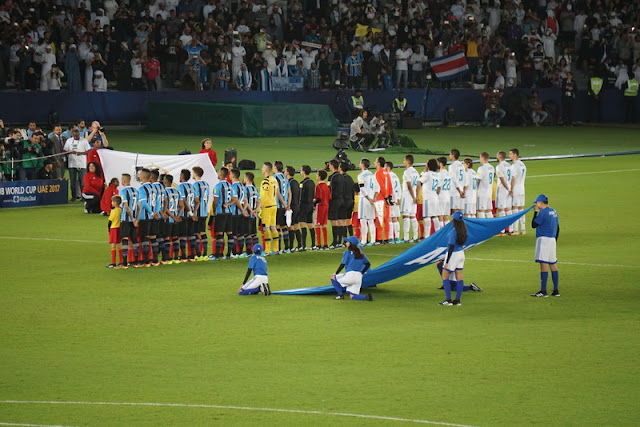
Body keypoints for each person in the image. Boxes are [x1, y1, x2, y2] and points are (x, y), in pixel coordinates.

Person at [530, 194, 560, 297]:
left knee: (543, 264)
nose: (536, 205)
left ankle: (543, 291)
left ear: (541, 203)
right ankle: (556, 290)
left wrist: (535, 212)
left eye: (537, 203)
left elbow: (533, 225)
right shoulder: (554, 211)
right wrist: (554, 240)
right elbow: (558, 227)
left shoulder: (542, 212)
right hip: (552, 239)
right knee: (553, 264)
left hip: (543, 239)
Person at [439, 211, 468, 306]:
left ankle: (448, 300)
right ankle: (457, 300)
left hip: (453, 255)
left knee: (445, 276)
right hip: (461, 254)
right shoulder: (463, 230)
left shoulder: (453, 232)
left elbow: (451, 247)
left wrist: (447, 261)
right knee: (459, 276)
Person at [330, 236, 373, 301]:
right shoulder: (361, 253)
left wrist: (336, 273)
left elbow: (343, 264)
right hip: (358, 277)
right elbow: (368, 264)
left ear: (351, 243)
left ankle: (340, 295)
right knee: (353, 296)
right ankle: (366, 298)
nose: (346, 243)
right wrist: (362, 272)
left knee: (333, 277)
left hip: (350, 275)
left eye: (347, 242)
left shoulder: (347, 252)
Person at [211, 168, 234, 260]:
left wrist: (213, 211)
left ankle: (217, 255)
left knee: (219, 233)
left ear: (220, 174)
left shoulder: (217, 186)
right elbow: (234, 199)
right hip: (229, 212)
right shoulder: (229, 185)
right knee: (229, 233)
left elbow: (215, 201)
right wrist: (228, 204)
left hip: (220, 213)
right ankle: (229, 254)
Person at [63, 128, 91, 201]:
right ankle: (74, 196)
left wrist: (81, 153)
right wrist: (70, 152)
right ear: (72, 134)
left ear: (79, 133)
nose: (75, 135)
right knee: (72, 181)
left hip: (82, 164)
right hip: (72, 164)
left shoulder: (84, 141)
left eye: (76, 134)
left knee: (82, 181)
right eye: (74, 134)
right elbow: (65, 151)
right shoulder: (69, 141)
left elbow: (89, 151)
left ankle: (83, 196)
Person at [357, 158, 379, 246]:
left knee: (363, 220)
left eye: (360, 163)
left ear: (362, 165)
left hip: (364, 199)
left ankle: (364, 240)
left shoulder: (361, 175)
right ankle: (373, 240)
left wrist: (368, 197)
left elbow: (362, 188)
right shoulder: (372, 175)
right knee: (371, 220)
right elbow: (378, 188)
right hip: (371, 200)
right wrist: (374, 198)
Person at [118, 173, 138, 268]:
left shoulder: (123, 192)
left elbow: (126, 206)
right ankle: (136, 262)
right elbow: (139, 206)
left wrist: (132, 218)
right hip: (134, 220)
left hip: (126, 219)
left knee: (125, 239)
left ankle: (125, 263)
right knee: (134, 240)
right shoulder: (135, 190)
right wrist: (136, 219)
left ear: (124, 181)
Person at [259, 162, 279, 255]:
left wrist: (259, 207)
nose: (262, 169)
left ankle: (267, 250)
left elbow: (263, 196)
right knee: (273, 227)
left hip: (267, 206)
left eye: (263, 167)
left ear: (266, 169)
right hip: (274, 205)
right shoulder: (274, 179)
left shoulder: (265, 181)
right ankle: (276, 249)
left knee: (266, 228)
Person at [191, 166, 210, 260]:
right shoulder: (206, 184)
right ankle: (205, 253)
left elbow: (196, 200)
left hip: (198, 212)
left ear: (195, 174)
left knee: (196, 232)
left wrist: (193, 212)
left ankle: (198, 254)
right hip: (204, 212)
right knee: (202, 232)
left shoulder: (195, 185)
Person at [177, 169, 196, 262]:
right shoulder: (192, 187)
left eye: (180, 175)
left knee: (183, 235)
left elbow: (183, 201)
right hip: (191, 214)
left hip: (185, 214)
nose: (179, 177)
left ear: (182, 176)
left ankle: (183, 256)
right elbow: (197, 201)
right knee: (191, 234)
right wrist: (194, 213)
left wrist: (190, 212)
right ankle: (192, 256)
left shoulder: (180, 187)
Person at [419, 158, 441, 235]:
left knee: (427, 217)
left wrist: (423, 172)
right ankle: (438, 234)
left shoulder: (427, 174)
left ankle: (427, 236)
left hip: (428, 198)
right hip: (435, 197)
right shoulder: (438, 175)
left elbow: (419, 181)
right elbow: (439, 188)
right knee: (435, 217)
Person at [401, 154, 420, 242]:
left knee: (406, 216)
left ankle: (406, 237)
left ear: (408, 161)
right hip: (414, 195)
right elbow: (419, 184)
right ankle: (415, 236)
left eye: (404, 160)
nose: (403, 162)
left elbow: (409, 186)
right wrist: (416, 196)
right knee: (413, 216)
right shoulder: (415, 171)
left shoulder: (407, 172)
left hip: (408, 195)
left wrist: (413, 197)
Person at [273, 161, 291, 254]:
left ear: (275, 167)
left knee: (276, 227)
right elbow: (289, 192)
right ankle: (287, 248)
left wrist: (283, 204)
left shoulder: (274, 178)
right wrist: (288, 204)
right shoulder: (285, 177)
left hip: (278, 205)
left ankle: (278, 249)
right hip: (285, 206)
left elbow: (277, 192)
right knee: (283, 226)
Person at [241, 172, 261, 256]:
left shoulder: (245, 189)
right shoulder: (254, 189)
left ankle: (248, 252)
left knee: (247, 233)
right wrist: (256, 209)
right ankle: (257, 251)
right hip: (254, 215)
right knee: (253, 234)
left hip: (248, 214)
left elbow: (246, 201)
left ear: (247, 179)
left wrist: (251, 210)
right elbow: (259, 201)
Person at [509, 148, 527, 235]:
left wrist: (511, 189)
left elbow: (513, 178)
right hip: (522, 189)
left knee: (515, 209)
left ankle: (515, 230)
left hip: (516, 188)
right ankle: (523, 229)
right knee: (521, 209)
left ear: (515, 155)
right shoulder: (523, 165)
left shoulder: (514, 166)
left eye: (510, 154)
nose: (509, 156)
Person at [298, 165, 317, 250]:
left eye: (301, 170)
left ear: (304, 172)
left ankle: (304, 245)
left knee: (303, 224)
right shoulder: (312, 182)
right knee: (310, 224)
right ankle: (313, 244)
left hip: (303, 206)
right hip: (310, 205)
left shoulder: (302, 183)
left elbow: (300, 196)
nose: (300, 172)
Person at [374, 156, 391, 244]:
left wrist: (384, 195)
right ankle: (387, 237)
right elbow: (390, 185)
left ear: (379, 163)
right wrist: (389, 196)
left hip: (380, 198)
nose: (374, 163)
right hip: (387, 198)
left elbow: (380, 186)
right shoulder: (387, 173)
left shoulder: (378, 173)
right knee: (386, 219)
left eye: (375, 161)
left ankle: (379, 238)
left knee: (379, 219)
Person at [328, 159, 345, 248]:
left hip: (334, 201)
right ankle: (340, 241)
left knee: (334, 221)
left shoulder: (332, 177)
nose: (329, 167)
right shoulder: (342, 176)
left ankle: (335, 242)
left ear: (332, 166)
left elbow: (329, 190)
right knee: (340, 220)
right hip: (342, 200)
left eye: (329, 165)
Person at [495, 151, 513, 235]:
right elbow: (513, 178)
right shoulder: (510, 166)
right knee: (508, 210)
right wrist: (511, 188)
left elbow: (502, 179)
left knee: (502, 210)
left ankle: (502, 231)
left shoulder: (499, 166)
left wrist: (508, 188)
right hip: (509, 189)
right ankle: (510, 229)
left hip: (503, 189)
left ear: (499, 156)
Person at [285, 166, 301, 252]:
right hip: (297, 206)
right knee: (295, 226)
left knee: (290, 226)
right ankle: (300, 245)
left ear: (287, 172)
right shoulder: (296, 182)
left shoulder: (288, 183)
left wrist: (288, 205)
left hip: (291, 206)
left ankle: (291, 246)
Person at [384, 161, 401, 242]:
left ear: (387, 167)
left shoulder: (388, 176)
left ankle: (390, 237)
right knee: (395, 218)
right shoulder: (395, 175)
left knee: (390, 218)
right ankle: (397, 237)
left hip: (390, 198)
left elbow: (389, 188)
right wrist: (398, 198)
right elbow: (398, 187)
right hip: (396, 198)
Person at [314, 169, 331, 249]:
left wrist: (313, 202)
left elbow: (318, 198)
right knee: (324, 225)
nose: (316, 176)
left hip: (320, 207)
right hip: (326, 206)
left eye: (317, 175)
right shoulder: (327, 186)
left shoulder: (318, 186)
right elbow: (329, 197)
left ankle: (319, 244)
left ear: (320, 177)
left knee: (317, 225)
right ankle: (325, 243)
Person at [476, 152, 495, 219]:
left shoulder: (481, 168)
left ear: (483, 158)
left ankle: (482, 228)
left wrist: (475, 190)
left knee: (481, 211)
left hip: (482, 192)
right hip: (489, 192)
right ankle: (493, 228)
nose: (480, 159)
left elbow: (478, 180)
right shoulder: (492, 167)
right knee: (488, 211)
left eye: (480, 157)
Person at [107, 195, 124, 268]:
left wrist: (108, 230)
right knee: (119, 244)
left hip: (113, 228)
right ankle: (121, 261)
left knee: (113, 245)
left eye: (112, 201)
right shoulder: (121, 210)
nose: (111, 203)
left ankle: (113, 262)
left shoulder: (113, 211)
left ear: (115, 202)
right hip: (119, 228)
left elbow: (110, 221)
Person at [448, 149, 465, 215]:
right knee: (460, 210)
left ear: (453, 155)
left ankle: (456, 225)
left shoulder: (452, 166)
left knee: (454, 211)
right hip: (461, 190)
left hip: (454, 191)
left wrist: (459, 190)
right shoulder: (462, 165)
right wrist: (462, 190)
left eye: (450, 154)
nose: (449, 156)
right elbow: (465, 178)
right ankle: (461, 225)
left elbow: (453, 178)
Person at [437, 157, 451, 227]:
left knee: (440, 216)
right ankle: (448, 232)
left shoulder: (440, 174)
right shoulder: (448, 173)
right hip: (447, 196)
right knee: (446, 217)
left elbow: (438, 187)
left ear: (440, 163)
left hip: (441, 197)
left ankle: (441, 234)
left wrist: (436, 195)